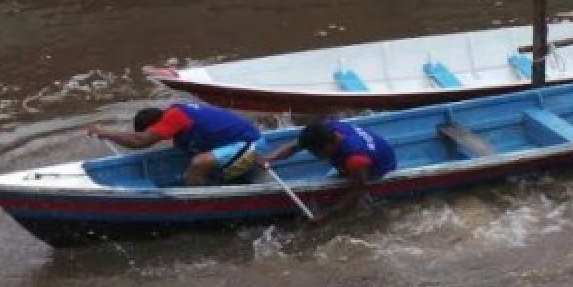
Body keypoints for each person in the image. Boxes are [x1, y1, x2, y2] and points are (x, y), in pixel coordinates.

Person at [88, 103, 263, 186]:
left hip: (250, 145)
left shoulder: (174, 117)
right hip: (238, 146)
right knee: (186, 154)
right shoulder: (178, 119)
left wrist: (105, 132)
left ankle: (198, 199)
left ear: (155, 125)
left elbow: (138, 141)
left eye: (152, 132)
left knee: (198, 163)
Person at [264, 118, 396, 222]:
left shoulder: (355, 158)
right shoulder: (329, 128)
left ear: (327, 147)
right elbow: (294, 147)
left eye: (315, 153)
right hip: (366, 153)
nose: (314, 156)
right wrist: (269, 158)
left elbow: (359, 190)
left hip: (380, 166)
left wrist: (327, 216)